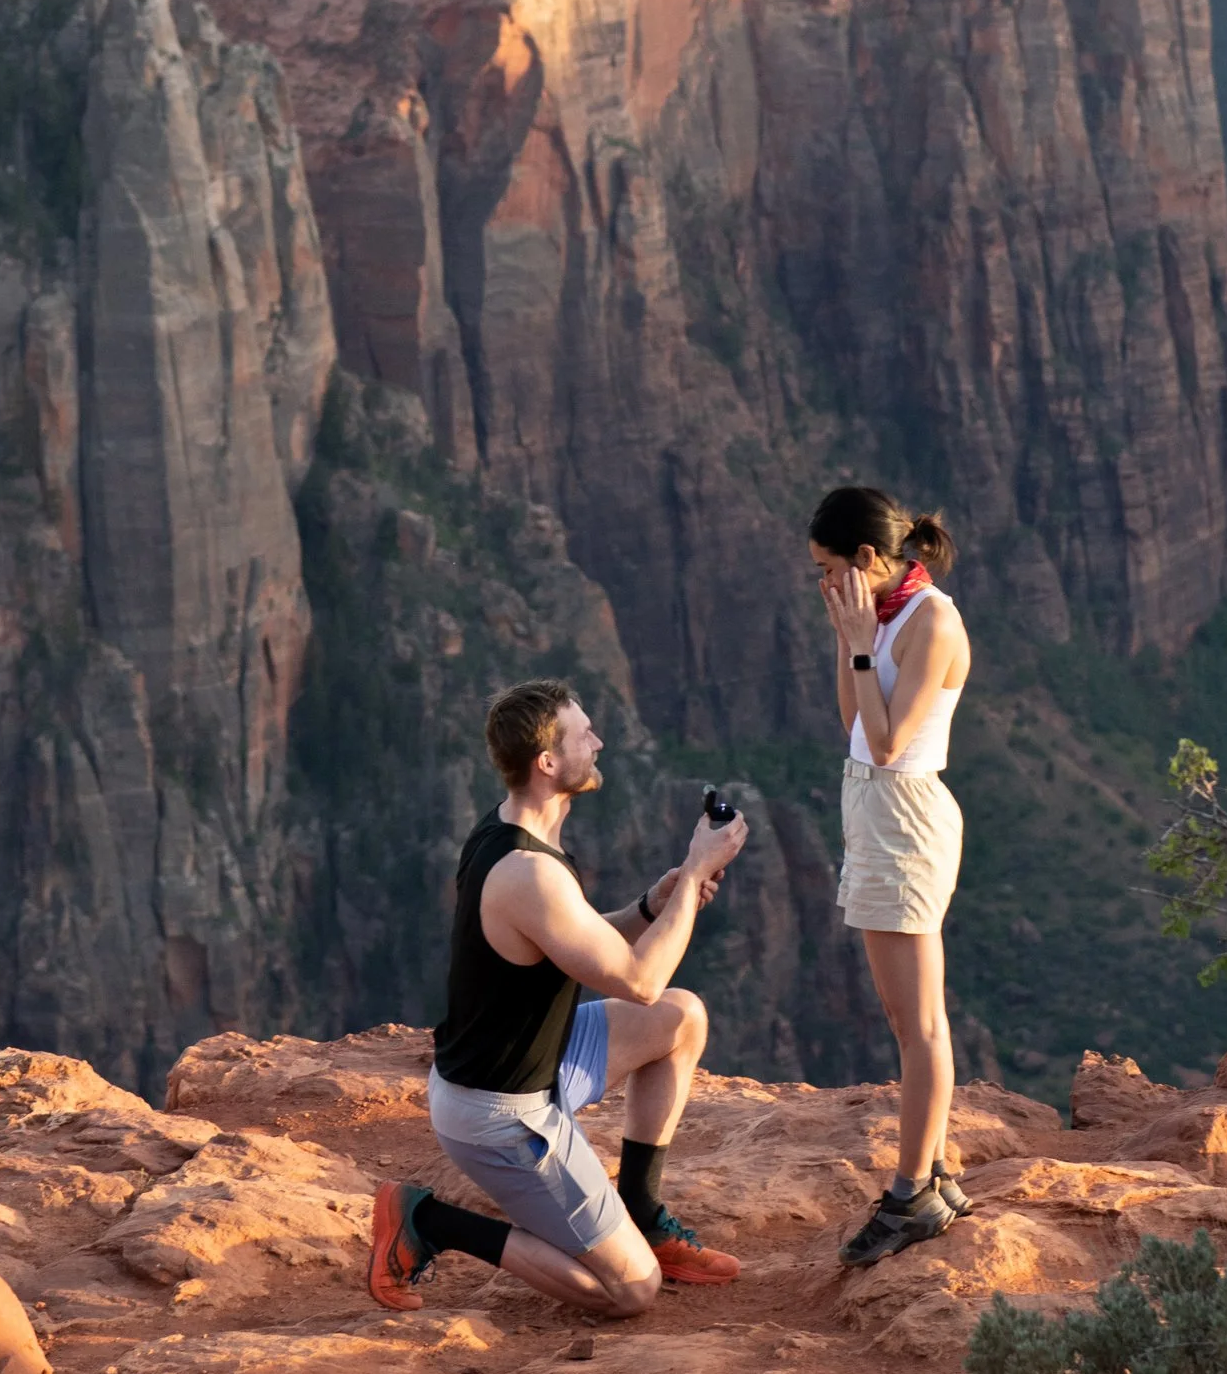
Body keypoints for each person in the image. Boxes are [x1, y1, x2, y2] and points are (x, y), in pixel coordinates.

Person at [367, 677, 750, 1316]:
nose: (598, 742)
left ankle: (643, 1215)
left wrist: (650, 905)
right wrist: (696, 872)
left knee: (681, 1018)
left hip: (540, 1066)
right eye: (583, 735)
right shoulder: (528, 872)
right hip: (502, 1114)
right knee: (630, 1291)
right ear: (548, 763)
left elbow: (575, 944)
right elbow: (638, 980)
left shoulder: (513, 836)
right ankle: (429, 1222)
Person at [809, 485, 974, 1266]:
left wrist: (862, 640)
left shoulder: (932, 619)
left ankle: (912, 1193)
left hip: (902, 816)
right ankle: (934, 1172)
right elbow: (850, 720)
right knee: (906, 1015)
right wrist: (852, 635)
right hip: (876, 814)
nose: (821, 582)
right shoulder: (883, 613)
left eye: (828, 567)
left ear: (868, 559)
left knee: (920, 1025)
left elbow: (885, 741)